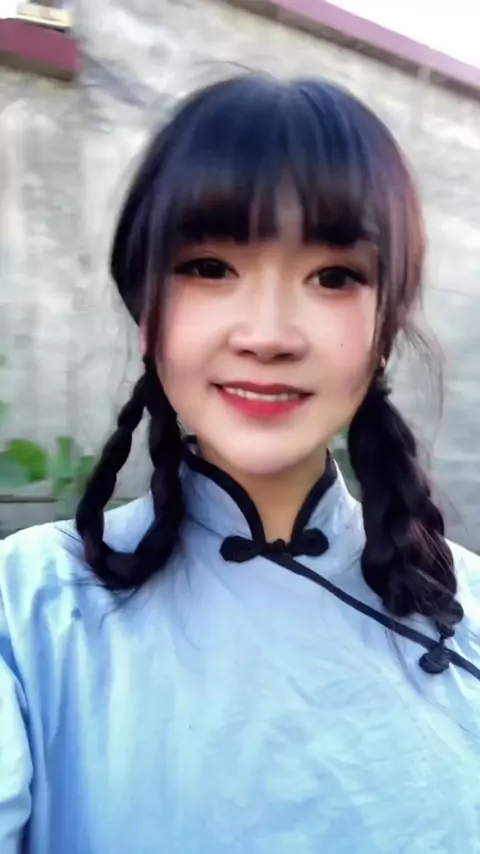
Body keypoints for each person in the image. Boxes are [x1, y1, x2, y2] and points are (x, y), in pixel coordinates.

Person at [1, 74, 479, 854]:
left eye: (334, 277)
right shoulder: (26, 610)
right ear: (146, 313)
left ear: (385, 326)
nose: (267, 335)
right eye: (210, 267)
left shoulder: (467, 609)